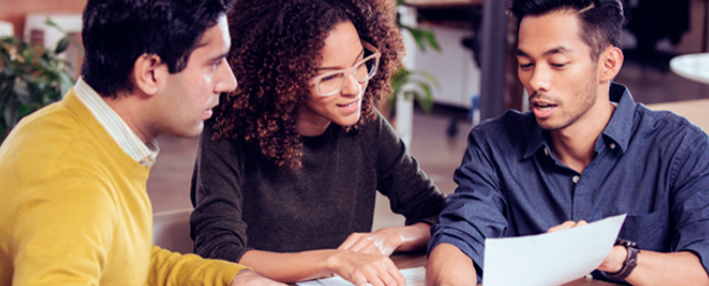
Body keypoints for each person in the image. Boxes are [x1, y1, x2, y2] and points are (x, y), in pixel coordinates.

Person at [0, 0, 284, 285]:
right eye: (213, 64)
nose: (229, 81)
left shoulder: (72, 131)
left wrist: (236, 279)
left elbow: (124, 263)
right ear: (150, 73)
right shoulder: (72, 181)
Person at [426, 0, 709, 285]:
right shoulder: (493, 145)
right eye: (526, 64)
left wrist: (610, 256)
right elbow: (458, 239)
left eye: (557, 64)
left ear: (608, 64)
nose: (537, 81)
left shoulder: (680, 149)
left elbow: (703, 269)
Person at [189, 0, 446, 285]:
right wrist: (333, 260)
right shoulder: (230, 127)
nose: (354, 88)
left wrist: (392, 237)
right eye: (331, 77)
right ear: (285, 78)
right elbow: (219, 253)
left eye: (360, 63)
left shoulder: (366, 126)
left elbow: (440, 214)